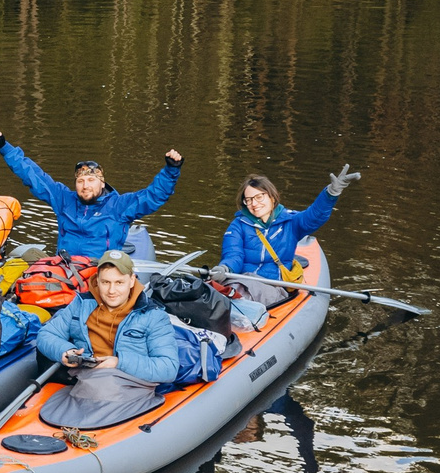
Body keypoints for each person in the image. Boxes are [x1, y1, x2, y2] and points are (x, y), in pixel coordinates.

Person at [34, 251, 188, 429]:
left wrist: (118, 362)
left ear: (132, 281)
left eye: (119, 283)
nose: (111, 291)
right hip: (84, 378)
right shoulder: (81, 304)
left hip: (126, 384)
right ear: (97, 280)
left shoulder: (154, 316)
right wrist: (65, 351)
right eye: (105, 282)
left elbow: (168, 368)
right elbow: (46, 335)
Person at [0, 130, 181, 259]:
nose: (85, 186)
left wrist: (171, 171)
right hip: (65, 267)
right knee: (28, 257)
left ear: (102, 183)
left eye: (91, 181)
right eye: (80, 181)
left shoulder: (119, 207)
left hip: (98, 272)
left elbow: (153, 197)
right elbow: (34, 176)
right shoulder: (64, 200)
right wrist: (4, 147)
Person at [219, 165, 360, 282]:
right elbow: (233, 255)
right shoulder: (238, 225)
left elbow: (315, 217)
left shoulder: (290, 221)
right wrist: (225, 268)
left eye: (259, 197)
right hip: (241, 280)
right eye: (248, 200)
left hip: (274, 284)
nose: (254, 204)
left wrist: (331, 193)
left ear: (272, 197)